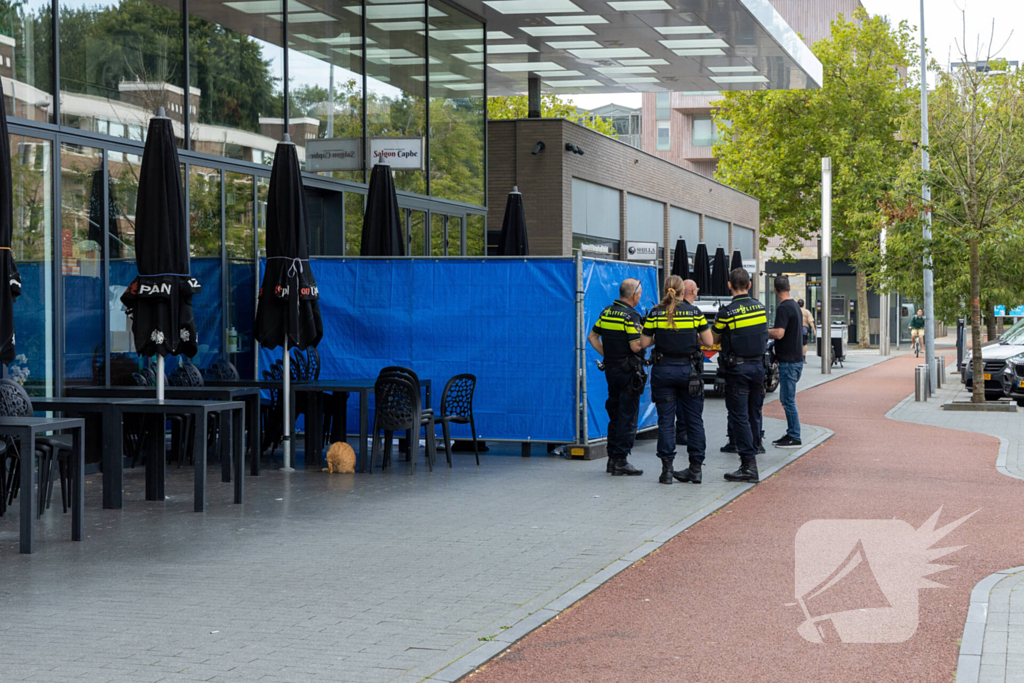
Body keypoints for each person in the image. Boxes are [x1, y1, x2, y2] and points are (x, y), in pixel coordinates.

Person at [640, 277, 713, 484]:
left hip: (663, 372)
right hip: (689, 373)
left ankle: (667, 471)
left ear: (665, 290)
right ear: (683, 291)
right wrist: (692, 337)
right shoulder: (694, 313)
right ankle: (696, 469)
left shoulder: (655, 313)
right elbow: (708, 341)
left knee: (665, 421)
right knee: (694, 421)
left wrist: (659, 337)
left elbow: (644, 342)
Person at [711, 268, 769, 483]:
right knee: (754, 414)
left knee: (739, 416)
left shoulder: (727, 312)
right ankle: (753, 453)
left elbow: (714, 339)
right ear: (750, 284)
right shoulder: (760, 308)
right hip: (758, 368)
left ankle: (748, 465)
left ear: (729, 285)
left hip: (738, 370)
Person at [587, 278, 646, 476]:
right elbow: (636, 346)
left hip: (611, 371)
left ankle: (612, 459)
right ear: (634, 295)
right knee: (627, 416)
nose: (640, 296)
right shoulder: (631, 316)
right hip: (628, 372)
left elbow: (592, 337)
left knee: (614, 413)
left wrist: (607, 355)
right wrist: (652, 337)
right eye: (640, 293)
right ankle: (621, 460)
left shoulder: (607, 311)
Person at [769, 276, 804, 448]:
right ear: (789, 287)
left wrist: (762, 331)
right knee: (787, 399)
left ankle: (794, 436)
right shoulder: (795, 306)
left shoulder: (783, 308)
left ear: (774, 289)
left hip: (789, 362)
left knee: (788, 400)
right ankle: (791, 433)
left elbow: (779, 333)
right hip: (796, 360)